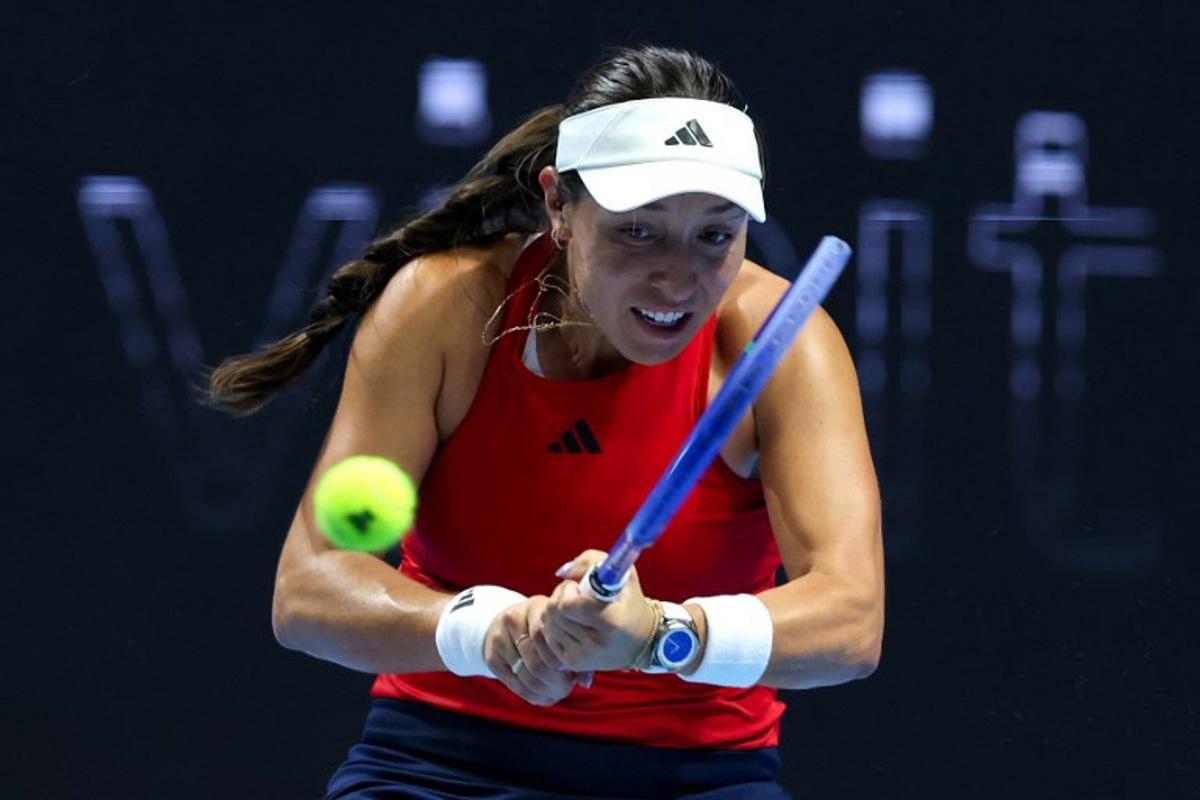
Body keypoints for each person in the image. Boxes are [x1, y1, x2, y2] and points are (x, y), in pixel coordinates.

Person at [204, 43, 884, 799]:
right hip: (435, 770)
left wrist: (661, 635)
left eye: (715, 236)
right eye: (638, 230)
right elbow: (308, 592)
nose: (678, 279)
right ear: (560, 206)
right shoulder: (446, 308)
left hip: (700, 782)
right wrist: (484, 631)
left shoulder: (783, 343)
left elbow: (851, 622)